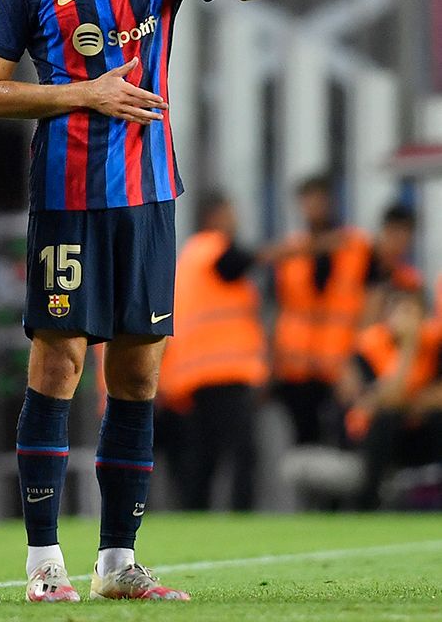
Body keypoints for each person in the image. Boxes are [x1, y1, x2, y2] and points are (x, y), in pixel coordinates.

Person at [0, 0, 346, 602]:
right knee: (58, 365)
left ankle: (116, 563)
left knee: (137, 374)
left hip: (148, 198)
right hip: (68, 201)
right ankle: (44, 565)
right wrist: (84, 91)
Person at [158, 192, 267, 510]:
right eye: (230, 212)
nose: (235, 220)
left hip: (195, 372)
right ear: (215, 216)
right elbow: (238, 262)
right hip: (223, 370)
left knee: (205, 452)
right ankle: (240, 512)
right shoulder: (213, 248)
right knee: (242, 450)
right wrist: (283, 251)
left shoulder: (190, 256)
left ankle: (195, 511)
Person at [273, 175, 375, 445]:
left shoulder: (357, 246)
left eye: (319, 199)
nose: (314, 207)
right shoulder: (291, 250)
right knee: (304, 444)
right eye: (308, 201)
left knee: (347, 441)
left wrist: (358, 358)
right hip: (297, 369)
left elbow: (372, 305)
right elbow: (278, 307)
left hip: (342, 366)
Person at [339, 287, 442, 509]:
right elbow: (385, 400)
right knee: (385, 420)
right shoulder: (369, 347)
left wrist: (417, 401)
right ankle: (367, 504)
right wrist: (408, 347)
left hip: (417, 429)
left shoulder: (435, 344)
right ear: (388, 316)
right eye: (403, 312)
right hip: (372, 434)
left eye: (414, 313)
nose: (409, 321)